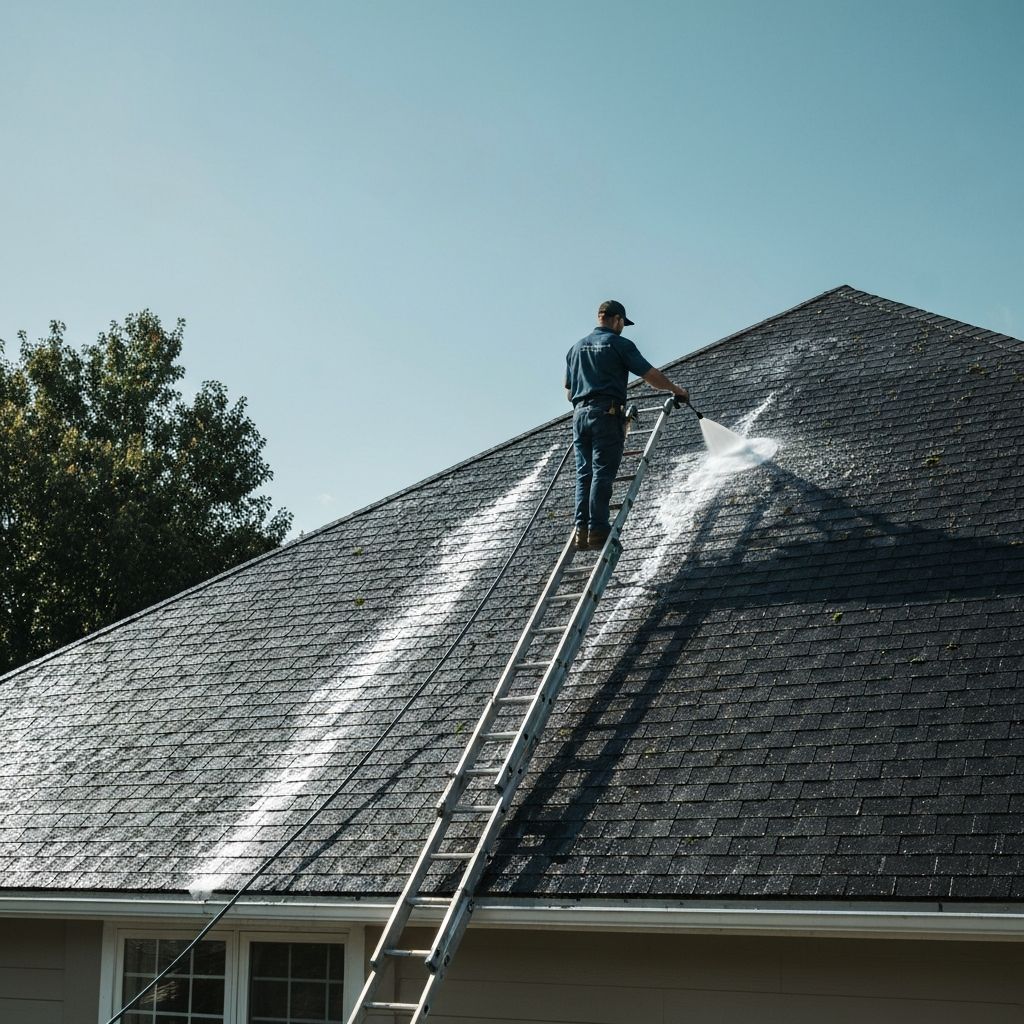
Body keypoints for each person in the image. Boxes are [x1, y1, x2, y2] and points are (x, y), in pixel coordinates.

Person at [564, 300, 689, 550]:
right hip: (606, 413)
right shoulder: (619, 344)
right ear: (617, 319)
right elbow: (649, 374)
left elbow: (569, 393)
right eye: (623, 323)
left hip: (579, 416)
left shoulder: (575, 348)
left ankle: (582, 528)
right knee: (602, 471)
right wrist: (677, 390)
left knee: (584, 473)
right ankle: (598, 529)